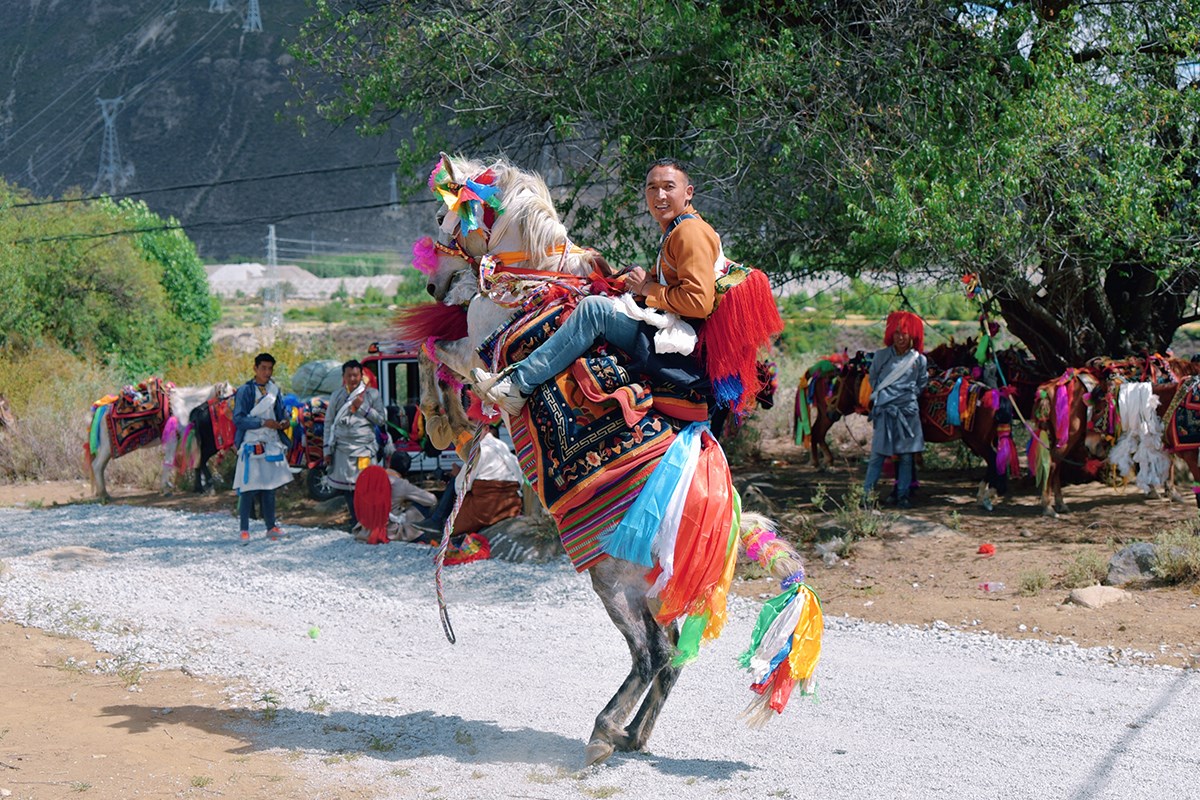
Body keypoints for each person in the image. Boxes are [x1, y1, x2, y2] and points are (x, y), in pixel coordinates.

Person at [473, 158, 721, 413]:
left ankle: (518, 385)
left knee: (595, 310)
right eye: (652, 188)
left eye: (669, 187)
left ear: (688, 192)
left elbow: (699, 303)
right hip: (672, 329)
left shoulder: (688, 232)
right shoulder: (677, 229)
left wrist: (647, 289)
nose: (660, 195)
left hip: (682, 347)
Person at [863, 311, 929, 509]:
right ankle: (866, 498)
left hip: (908, 413)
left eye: (905, 333)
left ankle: (903, 496)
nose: (900, 337)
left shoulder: (919, 360)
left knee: (907, 457)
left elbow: (921, 384)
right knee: (877, 456)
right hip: (885, 412)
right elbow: (874, 379)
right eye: (897, 333)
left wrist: (905, 398)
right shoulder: (881, 356)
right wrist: (887, 398)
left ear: (913, 335)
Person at [411, 427, 523, 540]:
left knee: (455, 482)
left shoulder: (481, 448)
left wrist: (457, 475)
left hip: (486, 508)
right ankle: (436, 520)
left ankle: (437, 521)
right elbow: (520, 480)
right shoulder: (503, 448)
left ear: (485, 430)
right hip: (511, 503)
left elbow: (461, 486)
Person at [232, 353, 293, 542]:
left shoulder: (275, 390)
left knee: (269, 487)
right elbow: (239, 419)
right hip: (251, 442)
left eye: (270, 368)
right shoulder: (245, 391)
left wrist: (284, 422)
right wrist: (263, 422)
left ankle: (271, 526)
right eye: (263, 368)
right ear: (255, 369)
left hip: (271, 442)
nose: (267, 372)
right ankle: (244, 529)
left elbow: (281, 412)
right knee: (249, 487)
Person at [324, 360, 387, 529]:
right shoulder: (336, 396)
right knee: (347, 488)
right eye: (349, 375)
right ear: (343, 377)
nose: (352, 378)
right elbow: (329, 423)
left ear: (361, 376)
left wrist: (363, 408)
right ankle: (356, 521)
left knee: (365, 486)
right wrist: (326, 450)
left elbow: (381, 419)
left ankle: (368, 521)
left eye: (356, 375)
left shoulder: (372, 395)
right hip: (342, 448)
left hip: (364, 449)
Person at [359, 451, 439, 543]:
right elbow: (432, 500)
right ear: (407, 469)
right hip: (389, 529)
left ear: (389, 463)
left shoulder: (373, 477)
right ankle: (416, 532)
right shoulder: (401, 484)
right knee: (422, 505)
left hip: (366, 528)